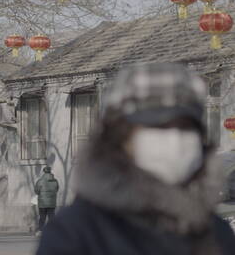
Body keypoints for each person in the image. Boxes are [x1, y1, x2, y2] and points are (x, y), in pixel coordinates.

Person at [37, 63, 235, 255]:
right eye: (157, 126)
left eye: (185, 127)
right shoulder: (76, 232)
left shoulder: (216, 233)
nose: (175, 139)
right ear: (121, 137)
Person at [34, 166, 58, 236]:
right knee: (51, 217)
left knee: (42, 217)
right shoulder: (55, 181)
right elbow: (56, 189)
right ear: (50, 171)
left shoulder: (40, 181)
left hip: (42, 203)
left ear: (44, 172)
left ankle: (41, 230)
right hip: (52, 202)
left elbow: (36, 191)